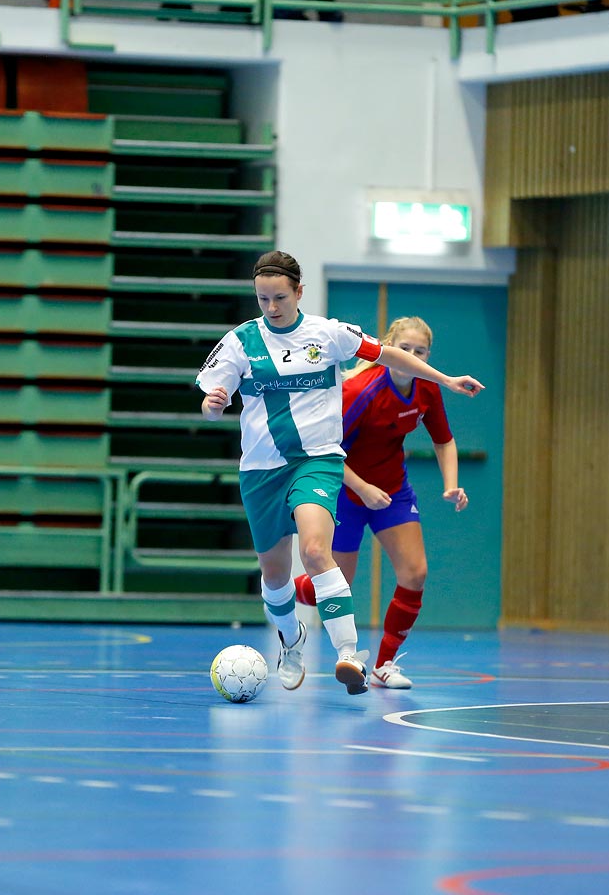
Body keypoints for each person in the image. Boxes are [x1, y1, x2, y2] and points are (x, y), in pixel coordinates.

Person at [197, 252, 483, 695]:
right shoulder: (239, 342)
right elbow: (211, 402)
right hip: (262, 470)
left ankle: (350, 655)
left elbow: (388, 355)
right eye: (262, 298)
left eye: (279, 297)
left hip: (317, 460)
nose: (271, 307)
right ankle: (291, 640)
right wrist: (213, 405)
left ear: (298, 293)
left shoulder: (327, 334)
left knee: (315, 551)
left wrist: (444, 380)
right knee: (274, 577)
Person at [291, 316, 468, 689]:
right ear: (389, 348)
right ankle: (286, 591)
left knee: (415, 573)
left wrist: (451, 484)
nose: (412, 356)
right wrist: (363, 488)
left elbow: (443, 439)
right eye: (405, 349)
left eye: (420, 351)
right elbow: (325, 450)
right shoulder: (361, 390)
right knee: (336, 584)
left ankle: (384, 664)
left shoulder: (427, 388)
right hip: (345, 490)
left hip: (393, 491)